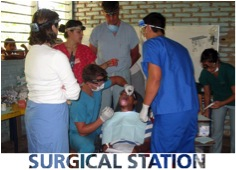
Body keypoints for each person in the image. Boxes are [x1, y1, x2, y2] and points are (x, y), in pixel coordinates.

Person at [139, 12, 199, 153]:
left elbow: (155, 78)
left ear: (147, 27)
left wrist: (145, 106)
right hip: (190, 109)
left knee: (162, 154)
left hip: (170, 110)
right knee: (184, 154)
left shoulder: (152, 44)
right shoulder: (181, 48)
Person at [24, 9, 81, 153]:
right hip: (51, 114)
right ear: (52, 28)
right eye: (57, 25)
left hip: (32, 110)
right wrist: (61, 93)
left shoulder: (31, 52)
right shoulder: (56, 56)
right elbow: (74, 93)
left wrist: (59, 90)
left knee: (38, 154)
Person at [69, 64, 134, 153]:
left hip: (94, 128)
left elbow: (116, 79)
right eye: (100, 82)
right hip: (76, 134)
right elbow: (82, 131)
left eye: (103, 81)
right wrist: (102, 119)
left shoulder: (97, 86)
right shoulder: (78, 100)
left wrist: (126, 85)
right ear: (88, 82)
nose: (102, 84)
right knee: (88, 148)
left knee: (118, 131)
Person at [89, 1, 140, 111]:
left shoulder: (128, 30)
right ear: (103, 13)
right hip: (102, 76)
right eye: (108, 15)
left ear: (119, 11)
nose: (111, 19)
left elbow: (136, 54)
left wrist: (123, 67)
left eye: (114, 14)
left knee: (123, 107)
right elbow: (90, 55)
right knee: (102, 108)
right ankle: (102, 128)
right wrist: (99, 71)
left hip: (123, 75)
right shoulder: (98, 31)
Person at [54, 20, 117, 84]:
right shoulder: (57, 50)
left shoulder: (85, 50)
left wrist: (106, 64)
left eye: (82, 32)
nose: (82, 34)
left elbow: (93, 70)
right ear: (69, 33)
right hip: (62, 89)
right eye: (78, 32)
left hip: (84, 89)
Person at [199, 48, 235, 153]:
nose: (209, 69)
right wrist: (207, 109)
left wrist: (222, 103)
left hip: (233, 101)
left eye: (211, 66)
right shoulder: (205, 73)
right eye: (206, 66)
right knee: (216, 131)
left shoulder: (229, 70)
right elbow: (207, 93)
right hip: (218, 102)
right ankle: (215, 157)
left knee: (235, 131)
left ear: (217, 61)